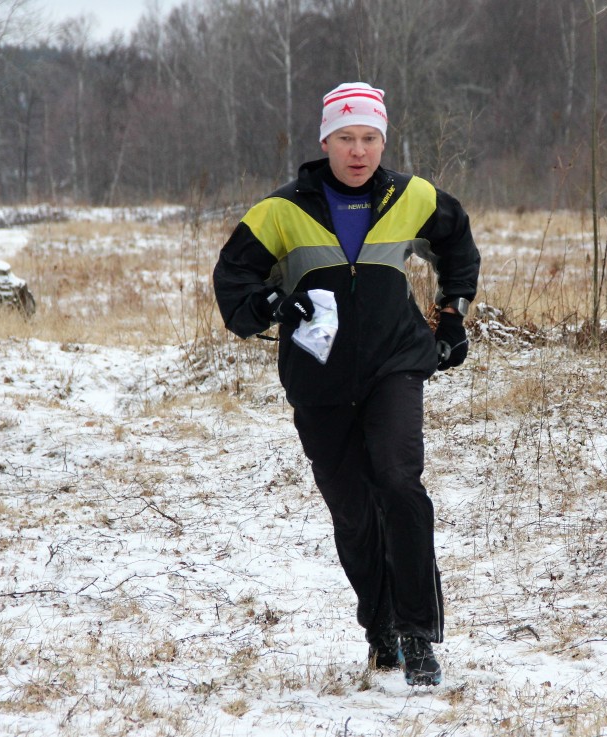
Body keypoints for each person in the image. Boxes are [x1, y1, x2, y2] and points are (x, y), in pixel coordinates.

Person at [212, 82, 480, 687]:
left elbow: (457, 243)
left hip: (395, 365)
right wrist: (272, 302)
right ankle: (379, 628)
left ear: (382, 140)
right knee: (355, 515)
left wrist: (454, 312)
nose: (358, 151)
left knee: (398, 482)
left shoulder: (412, 196)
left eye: (369, 138)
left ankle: (417, 635)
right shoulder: (279, 212)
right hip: (319, 379)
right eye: (346, 138)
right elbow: (233, 285)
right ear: (325, 140)